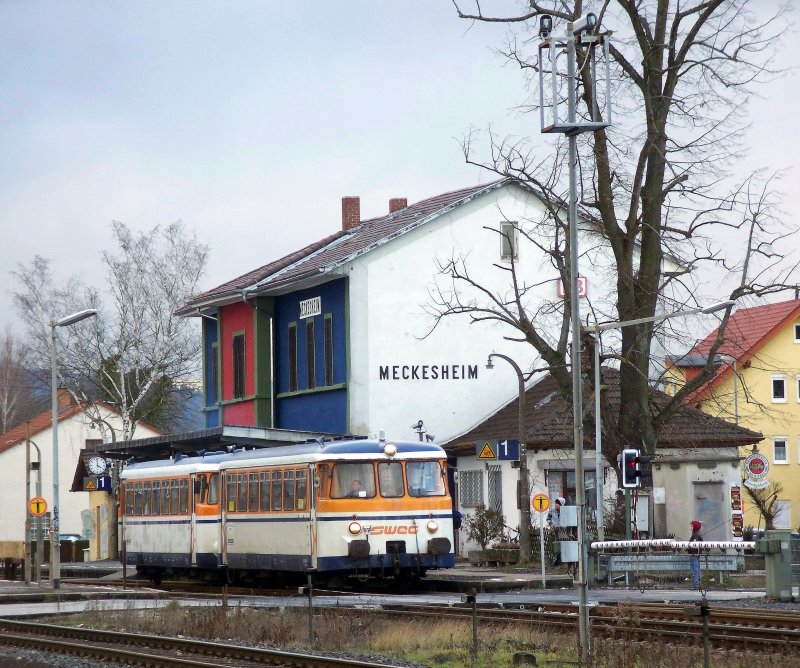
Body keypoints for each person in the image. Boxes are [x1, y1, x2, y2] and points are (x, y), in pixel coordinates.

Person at [689, 520, 703, 588]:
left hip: (694, 555)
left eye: (692, 526)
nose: (691, 528)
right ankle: (697, 583)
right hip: (695, 554)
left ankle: (696, 584)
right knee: (696, 569)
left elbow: (694, 546)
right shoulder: (697, 534)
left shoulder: (695, 536)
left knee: (695, 569)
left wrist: (689, 548)